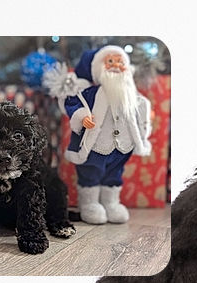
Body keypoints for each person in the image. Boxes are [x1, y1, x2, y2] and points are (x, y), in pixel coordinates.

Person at [63, 45, 152, 224]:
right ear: (100, 68)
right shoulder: (90, 93)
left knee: (115, 172)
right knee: (91, 172)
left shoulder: (133, 96)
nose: (116, 65)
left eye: (120, 62)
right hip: (95, 146)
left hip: (123, 146)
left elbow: (141, 111)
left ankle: (111, 203)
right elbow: (72, 102)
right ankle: (90, 203)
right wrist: (81, 117)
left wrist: (147, 117)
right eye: (110, 61)